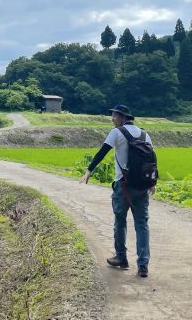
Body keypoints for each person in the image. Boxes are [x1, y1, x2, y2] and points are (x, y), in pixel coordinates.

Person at [79, 104, 153, 278]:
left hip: (123, 185)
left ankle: (121, 257)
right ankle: (143, 265)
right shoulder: (145, 134)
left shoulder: (117, 132)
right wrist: (152, 181)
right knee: (142, 223)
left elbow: (102, 152)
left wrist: (89, 170)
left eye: (114, 116)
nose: (112, 119)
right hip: (142, 186)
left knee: (120, 221)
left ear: (121, 117)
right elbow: (151, 159)